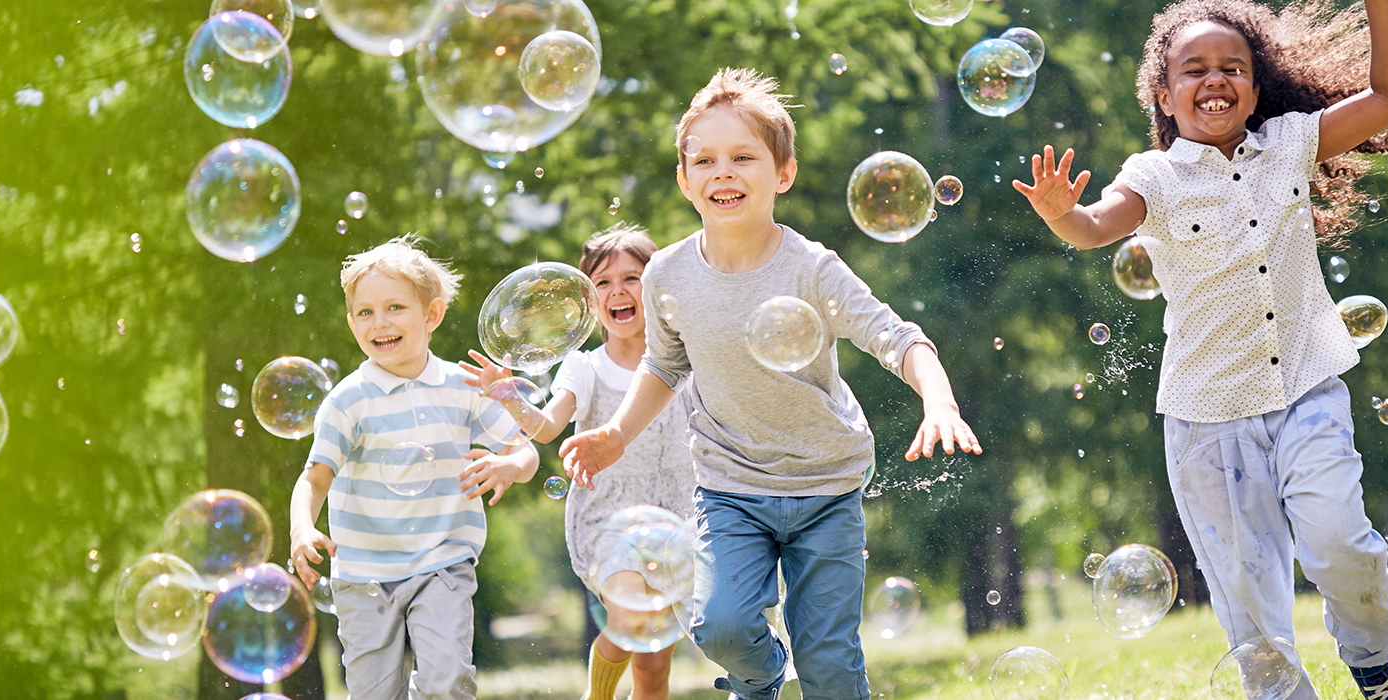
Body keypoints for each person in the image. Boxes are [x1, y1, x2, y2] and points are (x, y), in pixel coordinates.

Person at [1012, 0, 1388, 697]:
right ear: (1164, 95)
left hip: (1308, 388)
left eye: (1233, 67)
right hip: (1207, 421)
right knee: (1251, 607)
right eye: (1193, 69)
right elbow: (1095, 226)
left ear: (1256, 90)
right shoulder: (1155, 177)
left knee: (1342, 542)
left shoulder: (1291, 142)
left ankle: (1373, 667)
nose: (1215, 79)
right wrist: (1063, 214)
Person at [557, 68, 983, 700]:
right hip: (730, 485)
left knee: (830, 663)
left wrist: (939, 401)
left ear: (781, 174)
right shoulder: (667, 274)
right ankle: (759, 678)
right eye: (704, 159)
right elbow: (665, 364)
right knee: (719, 624)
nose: (722, 171)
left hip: (825, 483)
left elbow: (899, 339)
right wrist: (618, 434)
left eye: (743, 157)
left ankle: (805, 669)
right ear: (684, 180)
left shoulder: (813, 268)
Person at [288, 235, 541, 700]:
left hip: (442, 562)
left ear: (432, 315)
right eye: (365, 312)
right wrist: (302, 529)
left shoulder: (463, 386)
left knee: (448, 682)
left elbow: (525, 449)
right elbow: (314, 478)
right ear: (351, 323)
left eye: (395, 307)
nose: (379, 322)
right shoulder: (348, 400)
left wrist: (510, 465)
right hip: (363, 574)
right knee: (373, 694)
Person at [461, 223, 696, 700]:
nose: (619, 291)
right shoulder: (584, 367)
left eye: (632, 278)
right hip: (609, 517)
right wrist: (508, 395)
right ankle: (598, 695)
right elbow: (546, 427)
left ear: (656, 286)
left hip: (680, 513)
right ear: (589, 304)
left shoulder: (687, 356)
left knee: (653, 665)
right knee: (629, 616)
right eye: (603, 283)